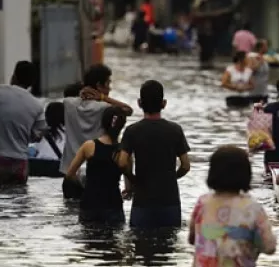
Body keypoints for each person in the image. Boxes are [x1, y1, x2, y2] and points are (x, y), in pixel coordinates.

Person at [188, 145, 277, 267]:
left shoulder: (202, 204)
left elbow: (192, 239)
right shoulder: (252, 208)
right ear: (246, 174)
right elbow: (269, 247)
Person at [118, 80, 191, 228]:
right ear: (164, 104)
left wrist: (133, 180)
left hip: (142, 201)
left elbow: (122, 162)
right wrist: (171, 178)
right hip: (170, 200)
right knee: (169, 238)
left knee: (139, 238)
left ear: (139, 103)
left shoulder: (132, 131)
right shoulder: (175, 130)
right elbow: (185, 166)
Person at [60, 64, 133, 199]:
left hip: (71, 172)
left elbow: (70, 91)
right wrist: (103, 97)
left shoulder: (68, 103)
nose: (110, 88)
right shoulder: (105, 108)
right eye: (108, 83)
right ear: (99, 85)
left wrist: (84, 89)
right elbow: (128, 110)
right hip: (95, 173)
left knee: (71, 210)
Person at [0, 61, 46, 186]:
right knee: (17, 195)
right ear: (32, 83)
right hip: (19, 162)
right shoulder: (37, 105)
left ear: (14, 76)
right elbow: (38, 136)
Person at [65, 107, 131, 225]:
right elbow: (128, 185)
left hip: (89, 202)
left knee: (88, 234)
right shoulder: (124, 151)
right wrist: (128, 191)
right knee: (114, 235)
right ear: (122, 125)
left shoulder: (89, 146)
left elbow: (70, 174)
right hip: (113, 204)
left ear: (102, 123)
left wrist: (85, 188)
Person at [28, 100, 67, 178]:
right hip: (59, 168)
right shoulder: (71, 133)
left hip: (39, 167)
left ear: (46, 116)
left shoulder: (40, 134)